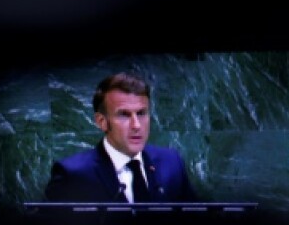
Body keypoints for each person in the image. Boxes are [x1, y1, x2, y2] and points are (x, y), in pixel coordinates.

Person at [44, 72, 200, 204]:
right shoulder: (72, 174)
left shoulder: (171, 163)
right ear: (102, 122)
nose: (136, 125)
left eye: (141, 113)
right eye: (124, 115)